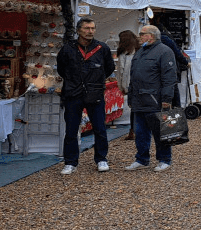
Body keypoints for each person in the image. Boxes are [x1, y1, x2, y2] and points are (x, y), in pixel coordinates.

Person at [56, 18, 115, 175]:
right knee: (71, 130)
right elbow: (61, 69)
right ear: (79, 30)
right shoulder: (68, 49)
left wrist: (96, 80)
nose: (90, 31)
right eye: (87, 28)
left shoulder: (102, 48)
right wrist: (73, 81)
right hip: (73, 93)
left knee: (100, 128)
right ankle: (70, 162)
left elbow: (109, 68)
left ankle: (101, 159)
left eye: (93, 28)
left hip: (95, 92)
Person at [125, 25, 178, 172]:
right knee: (140, 132)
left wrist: (167, 98)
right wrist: (131, 96)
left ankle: (164, 159)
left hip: (154, 99)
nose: (139, 36)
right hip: (139, 99)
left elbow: (169, 77)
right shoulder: (140, 51)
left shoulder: (165, 51)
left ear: (151, 36)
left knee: (160, 132)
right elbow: (134, 75)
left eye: (142, 34)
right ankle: (142, 159)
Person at [116, 30, 140, 140]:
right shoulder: (139, 51)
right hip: (139, 83)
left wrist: (122, 87)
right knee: (138, 108)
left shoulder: (124, 54)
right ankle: (137, 130)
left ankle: (134, 130)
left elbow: (121, 72)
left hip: (131, 84)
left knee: (134, 108)